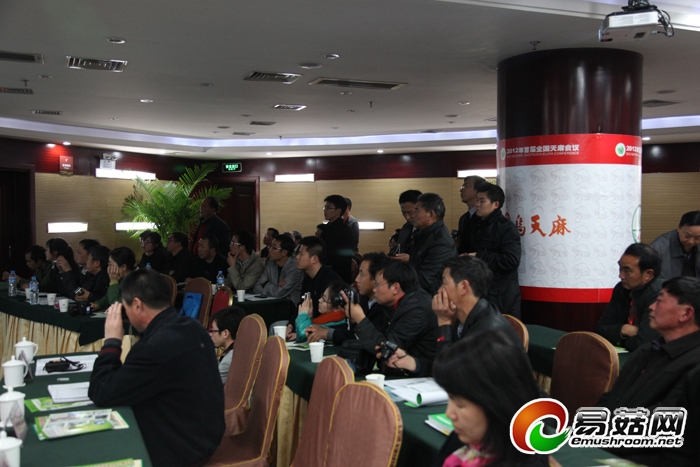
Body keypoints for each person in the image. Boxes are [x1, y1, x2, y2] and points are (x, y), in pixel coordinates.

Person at [88, 269, 224, 467]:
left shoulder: (154, 348)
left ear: (137, 305)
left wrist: (112, 341)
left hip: (180, 451)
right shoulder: (193, 327)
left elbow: (102, 391)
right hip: (203, 437)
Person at [597, 276, 700, 467]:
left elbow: (662, 423)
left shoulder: (694, 365)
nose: (651, 307)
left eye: (659, 301)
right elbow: (611, 399)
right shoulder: (646, 351)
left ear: (686, 313)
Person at [432, 330, 549, 467]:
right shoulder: (465, 439)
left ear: (496, 403)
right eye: (450, 398)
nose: (449, 413)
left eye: (460, 404)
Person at [347, 261, 438, 376]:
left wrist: (360, 319)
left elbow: (388, 350)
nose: (374, 290)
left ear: (395, 288)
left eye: (377, 285)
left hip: (423, 376)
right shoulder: (396, 303)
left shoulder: (417, 311)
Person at [306, 251, 391, 345]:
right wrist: (325, 331)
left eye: (361, 275)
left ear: (377, 278)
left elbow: (373, 341)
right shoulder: (365, 300)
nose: (356, 279)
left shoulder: (387, 308)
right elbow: (350, 332)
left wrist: (359, 318)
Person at [465, 183, 522, 318]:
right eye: (477, 200)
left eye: (482, 201)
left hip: (501, 296)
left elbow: (511, 260)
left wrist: (479, 256)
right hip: (481, 291)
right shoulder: (476, 224)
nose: (477, 204)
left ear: (495, 204)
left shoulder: (506, 228)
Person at [595, 243, 663, 351]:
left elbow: (643, 343)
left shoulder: (659, 294)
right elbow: (600, 329)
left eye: (627, 271)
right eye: (620, 268)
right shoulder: (621, 288)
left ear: (648, 274)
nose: (621, 275)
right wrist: (623, 329)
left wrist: (617, 337)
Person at [395, 192, 457, 296]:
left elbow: (426, 281)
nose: (413, 215)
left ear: (430, 214)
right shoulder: (422, 234)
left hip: (429, 298)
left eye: (417, 210)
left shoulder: (440, 242)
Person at [285, 236, 342, 340]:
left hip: (323, 330)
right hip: (306, 323)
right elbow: (301, 305)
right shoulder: (307, 279)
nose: (297, 257)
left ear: (314, 259)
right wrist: (290, 325)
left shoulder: (330, 281)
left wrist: (304, 331)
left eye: (301, 254)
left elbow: (332, 318)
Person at [253, 234, 303, 303]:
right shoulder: (270, 262)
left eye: (274, 248)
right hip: (271, 303)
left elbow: (279, 293)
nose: (269, 250)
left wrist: (265, 284)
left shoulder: (295, 267)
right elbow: (257, 287)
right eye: (270, 246)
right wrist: (276, 286)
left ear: (284, 252)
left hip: (290, 306)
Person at [651, 210, 700, 278]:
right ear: (679, 228)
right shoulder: (659, 247)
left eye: (697, 238)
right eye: (687, 236)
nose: (691, 241)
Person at [320, 194, 355, 283]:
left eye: (329, 208)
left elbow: (343, 256)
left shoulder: (344, 230)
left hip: (337, 274)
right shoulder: (326, 228)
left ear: (338, 211)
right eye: (325, 207)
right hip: (328, 271)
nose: (325, 210)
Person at [209, 306, 246, 384]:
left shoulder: (229, 359)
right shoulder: (242, 349)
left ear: (225, 333)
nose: (210, 334)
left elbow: (210, 385)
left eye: (213, 330)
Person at [91, 247, 136, 311]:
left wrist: (114, 282)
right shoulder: (121, 279)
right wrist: (97, 304)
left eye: (110, 264)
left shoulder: (136, 282)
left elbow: (117, 305)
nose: (108, 268)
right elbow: (108, 296)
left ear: (123, 267)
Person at [456, 175, 487, 254]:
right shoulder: (464, 218)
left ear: (478, 191)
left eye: (465, 186)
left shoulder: (485, 218)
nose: (461, 190)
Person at [393, 189, 421, 255]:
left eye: (410, 212)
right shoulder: (406, 228)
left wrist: (411, 259)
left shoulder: (434, 231)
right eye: (403, 212)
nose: (407, 217)